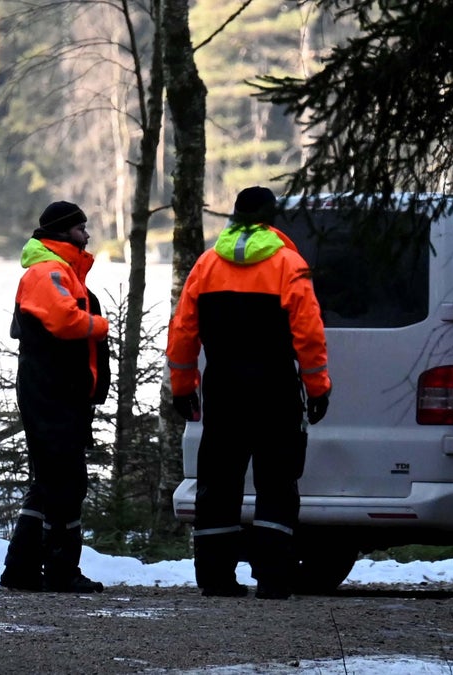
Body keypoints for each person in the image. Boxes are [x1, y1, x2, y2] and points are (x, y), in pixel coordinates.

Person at [165, 185, 332, 600]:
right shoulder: (289, 265)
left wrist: (184, 386)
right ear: (271, 218)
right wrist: (317, 388)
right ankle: (274, 578)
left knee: (219, 479)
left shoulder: (206, 265)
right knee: (277, 480)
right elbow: (309, 335)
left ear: (234, 216)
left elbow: (184, 331)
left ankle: (216, 577)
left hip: (223, 388)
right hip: (275, 388)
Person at [0, 200, 111, 594]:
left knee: (49, 481)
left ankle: (22, 567)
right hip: (52, 392)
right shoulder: (49, 272)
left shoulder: (60, 271)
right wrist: (100, 325)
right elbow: (66, 321)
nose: (87, 234)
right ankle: (61, 569)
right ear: (65, 231)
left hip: (59, 392)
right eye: (82, 228)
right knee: (65, 482)